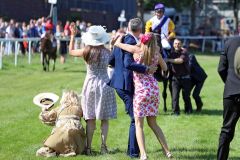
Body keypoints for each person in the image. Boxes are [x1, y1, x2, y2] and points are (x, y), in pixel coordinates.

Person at [114, 32, 172, 159]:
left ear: (143, 41)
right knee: (153, 124)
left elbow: (118, 44)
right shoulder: (156, 53)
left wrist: (119, 36)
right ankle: (167, 151)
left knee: (139, 125)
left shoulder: (136, 50)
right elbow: (165, 67)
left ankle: (143, 154)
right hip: (154, 90)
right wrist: (157, 66)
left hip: (141, 91)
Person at [108, 18, 157, 158]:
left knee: (135, 118)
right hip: (125, 85)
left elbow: (111, 61)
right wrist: (146, 69)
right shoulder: (129, 41)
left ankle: (132, 151)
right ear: (140, 30)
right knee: (135, 119)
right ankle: (134, 152)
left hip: (119, 83)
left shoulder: (122, 38)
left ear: (129, 27)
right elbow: (128, 64)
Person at [69, 24, 117, 155]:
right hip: (105, 85)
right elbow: (114, 61)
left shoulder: (86, 51)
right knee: (104, 119)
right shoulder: (107, 52)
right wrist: (112, 45)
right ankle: (103, 146)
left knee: (90, 118)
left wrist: (72, 35)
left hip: (90, 85)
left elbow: (71, 51)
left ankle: (88, 148)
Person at [35, 91, 86, 157]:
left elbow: (46, 118)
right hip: (76, 136)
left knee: (52, 146)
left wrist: (44, 110)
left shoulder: (59, 108)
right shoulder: (79, 108)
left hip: (60, 133)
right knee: (77, 145)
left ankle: (54, 151)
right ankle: (72, 150)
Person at [217, 37, 240, 160]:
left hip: (231, 91)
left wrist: (230, 83)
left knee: (226, 130)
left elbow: (221, 68)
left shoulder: (229, 42)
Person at [165, 39, 193, 115]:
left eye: (179, 43)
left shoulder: (184, 52)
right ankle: (175, 112)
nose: (177, 45)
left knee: (186, 96)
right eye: (175, 43)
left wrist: (168, 60)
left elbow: (180, 60)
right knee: (175, 97)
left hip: (185, 78)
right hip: (175, 79)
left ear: (181, 45)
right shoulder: (171, 53)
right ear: (173, 45)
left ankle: (188, 110)